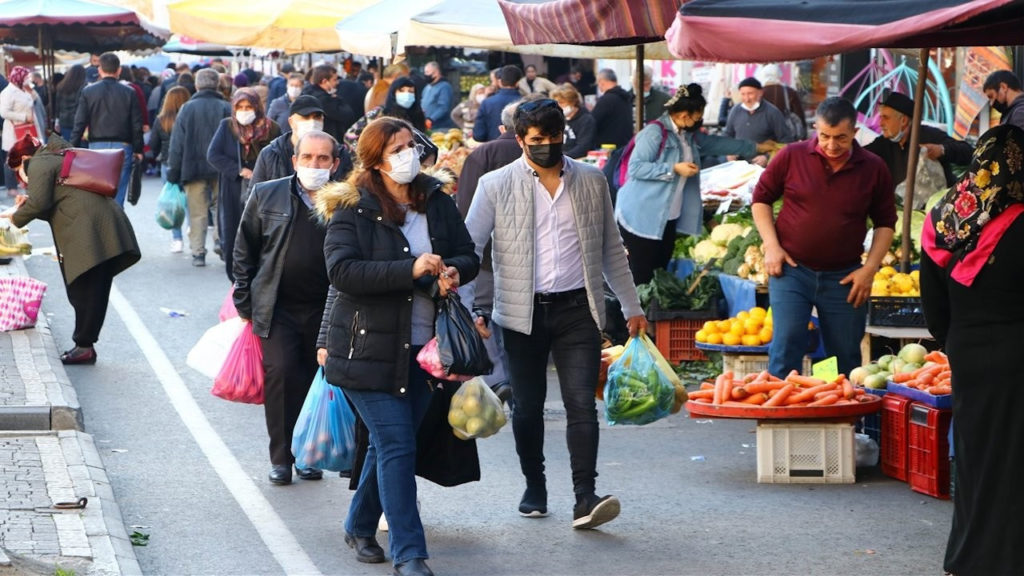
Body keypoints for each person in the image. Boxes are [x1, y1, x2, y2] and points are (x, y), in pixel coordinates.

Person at [464, 99, 646, 529]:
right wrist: (471, 307)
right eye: (537, 140)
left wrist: (632, 306)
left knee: (582, 404)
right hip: (520, 312)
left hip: (578, 309)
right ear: (520, 140)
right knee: (527, 407)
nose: (547, 146)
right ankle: (535, 485)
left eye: (553, 138)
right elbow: (469, 249)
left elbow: (610, 250)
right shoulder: (495, 185)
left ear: (565, 135)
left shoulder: (590, 180)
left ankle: (585, 496)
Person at [318, 117, 479, 576]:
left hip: (427, 351)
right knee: (397, 445)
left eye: (410, 145)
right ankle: (410, 554)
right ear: (375, 161)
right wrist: (407, 271)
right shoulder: (353, 208)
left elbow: (469, 253)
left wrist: (453, 271)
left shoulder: (437, 201)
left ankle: (359, 523)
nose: (407, 155)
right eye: (395, 150)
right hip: (365, 349)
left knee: (390, 445)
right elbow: (342, 273)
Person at [918, 124, 1024, 575]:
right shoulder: (1020, 218)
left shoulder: (944, 216)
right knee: (1013, 459)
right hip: (1016, 354)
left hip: (967, 351)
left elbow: (931, 304)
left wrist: (954, 343)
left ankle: (969, 555)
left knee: (975, 455)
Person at [751, 97, 896, 378]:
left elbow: (885, 223)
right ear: (815, 128)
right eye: (825, 136)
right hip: (792, 270)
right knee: (787, 345)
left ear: (855, 132)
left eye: (840, 138)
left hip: (845, 277)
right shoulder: (791, 156)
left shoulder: (873, 168)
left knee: (843, 355)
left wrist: (869, 269)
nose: (831, 145)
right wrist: (771, 246)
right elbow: (761, 199)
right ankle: (780, 417)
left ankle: (831, 414)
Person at [233, 130, 340, 486]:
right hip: (276, 307)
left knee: (315, 380)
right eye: (308, 157)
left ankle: (309, 455)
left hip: (327, 310)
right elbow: (244, 249)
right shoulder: (268, 194)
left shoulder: (346, 200)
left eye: (323, 158)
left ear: (335, 164)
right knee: (281, 374)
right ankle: (282, 457)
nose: (315, 164)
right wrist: (245, 301)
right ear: (294, 161)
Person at [3, 134, 140, 365]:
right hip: (100, 227)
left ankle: (84, 346)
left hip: (91, 231)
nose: (20, 177)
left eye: (18, 171)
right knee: (91, 287)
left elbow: (40, 203)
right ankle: (84, 345)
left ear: (25, 158)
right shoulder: (56, 155)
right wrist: (27, 205)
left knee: (86, 288)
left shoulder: (38, 163)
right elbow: (57, 198)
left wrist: (13, 220)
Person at [616, 84, 768, 286]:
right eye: (697, 115)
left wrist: (755, 147)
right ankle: (635, 316)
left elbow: (716, 143)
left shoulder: (686, 135)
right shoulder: (654, 133)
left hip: (668, 217)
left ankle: (653, 315)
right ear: (684, 114)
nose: (699, 120)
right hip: (641, 215)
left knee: (660, 272)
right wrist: (674, 168)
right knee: (642, 274)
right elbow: (636, 168)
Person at [455, 100, 526, 403]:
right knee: (521, 321)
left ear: (501, 127)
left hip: (486, 255)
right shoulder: (539, 155)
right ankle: (521, 379)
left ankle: (499, 378)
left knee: (485, 317)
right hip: (528, 254)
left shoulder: (481, 154)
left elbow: (467, 208)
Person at [208, 89, 281, 282]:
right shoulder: (227, 126)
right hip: (234, 186)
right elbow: (214, 155)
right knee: (233, 233)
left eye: (248, 107)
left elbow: (279, 157)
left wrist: (260, 171)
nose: (244, 111)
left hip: (264, 187)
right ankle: (236, 282)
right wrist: (239, 170)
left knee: (260, 232)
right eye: (240, 107)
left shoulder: (271, 129)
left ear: (257, 107)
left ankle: (260, 279)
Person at [167, 68, 232, 268]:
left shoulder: (187, 108)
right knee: (221, 208)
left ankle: (198, 252)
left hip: (192, 168)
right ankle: (221, 241)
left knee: (197, 212)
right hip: (222, 168)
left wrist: (173, 171)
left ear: (197, 85)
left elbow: (177, 143)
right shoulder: (226, 107)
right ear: (217, 85)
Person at [71, 53, 144, 206]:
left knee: (98, 194)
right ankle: (116, 227)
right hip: (123, 146)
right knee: (118, 195)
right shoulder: (129, 92)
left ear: (100, 70)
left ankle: (100, 227)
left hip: (97, 147)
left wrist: (73, 146)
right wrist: (138, 149)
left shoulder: (88, 92)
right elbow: (136, 124)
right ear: (118, 70)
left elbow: (79, 122)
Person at [864, 91, 973, 193]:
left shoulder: (930, 135)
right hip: (902, 205)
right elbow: (862, 154)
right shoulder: (883, 143)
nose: (880, 123)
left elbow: (968, 152)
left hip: (937, 204)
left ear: (903, 120)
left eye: (885, 118)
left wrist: (941, 150)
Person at [251, 95, 351, 191]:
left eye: (317, 117)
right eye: (305, 117)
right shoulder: (271, 153)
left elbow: (348, 193)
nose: (312, 122)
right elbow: (254, 195)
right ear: (291, 122)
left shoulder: (339, 153)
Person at [149, 86, 192, 253]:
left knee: (173, 202)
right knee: (191, 200)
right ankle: (191, 227)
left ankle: (177, 239)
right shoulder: (190, 117)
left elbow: (153, 145)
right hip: (189, 163)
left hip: (168, 163)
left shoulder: (161, 120)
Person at [344, 77, 428, 154]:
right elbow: (350, 136)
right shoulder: (380, 112)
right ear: (393, 93)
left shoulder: (417, 115)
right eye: (401, 91)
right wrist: (366, 157)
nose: (407, 95)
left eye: (410, 91)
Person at [723, 77, 789, 166]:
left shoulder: (773, 112)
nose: (746, 99)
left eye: (750, 94)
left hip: (764, 166)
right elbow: (728, 134)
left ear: (760, 93)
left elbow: (786, 141)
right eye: (743, 94)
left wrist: (767, 157)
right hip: (739, 165)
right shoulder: (735, 110)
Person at [1, 66, 44, 198]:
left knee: (29, 157)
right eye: (25, 77)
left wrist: (32, 92)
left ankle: (28, 184)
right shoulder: (8, 92)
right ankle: (11, 186)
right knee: (12, 158)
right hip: (15, 131)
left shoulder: (25, 89)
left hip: (29, 130)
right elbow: (3, 112)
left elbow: (36, 102)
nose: (27, 79)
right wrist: (24, 117)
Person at [302, 64, 357, 143]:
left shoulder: (308, 93)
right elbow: (348, 115)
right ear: (324, 81)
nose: (337, 83)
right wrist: (338, 99)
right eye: (334, 80)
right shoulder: (324, 99)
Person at [473, 65, 523, 143]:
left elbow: (479, 135)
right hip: (520, 150)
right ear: (518, 82)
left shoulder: (487, 103)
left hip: (493, 149)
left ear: (499, 82)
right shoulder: (525, 103)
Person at [759, 63, 807, 141]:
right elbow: (799, 114)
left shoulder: (758, 93)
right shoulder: (790, 92)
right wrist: (803, 136)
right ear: (779, 75)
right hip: (786, 134)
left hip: (764, 135)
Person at [551, 83, 596, 159]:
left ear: (573, 102)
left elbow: (583, 147)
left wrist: (561, 158)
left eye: (562, 103)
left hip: (576, 160)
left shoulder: (586, 120)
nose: (558, 106)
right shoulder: (557, 118)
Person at [591, 69, 633, 149]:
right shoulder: (626, 97)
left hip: (608, 148)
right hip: (625, 145)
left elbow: (592, 122)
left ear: (601, 82)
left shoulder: (606, 100)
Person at [55, 65, 87, 141]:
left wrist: (57, 121)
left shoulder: (61, 86)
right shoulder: (84, 87)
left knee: (69, 148)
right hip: (79, 123)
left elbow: (57, 106)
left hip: (64, 121)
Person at [420, 62, 455, 130]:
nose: (425, 75)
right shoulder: (427, 87)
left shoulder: (444, 87)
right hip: (427, 126)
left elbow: (443, 107)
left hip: (441, 126)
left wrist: (431, 119)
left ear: (436, 73)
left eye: (427, 72)